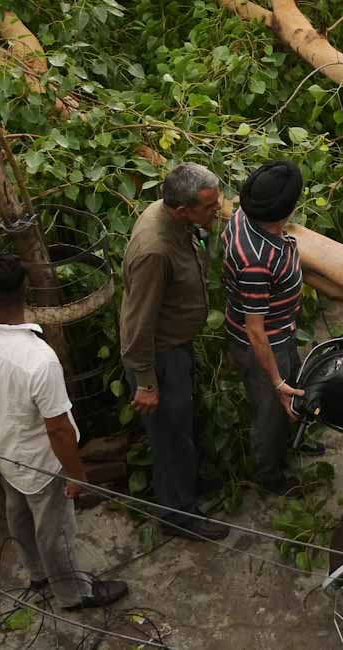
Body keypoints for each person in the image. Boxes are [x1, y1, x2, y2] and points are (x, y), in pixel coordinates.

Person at [0, 252, 129, 609]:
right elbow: (60, 429)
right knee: (56, 532)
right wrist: (77, 474)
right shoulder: (39, 359)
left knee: (17, 513)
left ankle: (37, 574)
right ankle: (74, 594)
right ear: (26, 291)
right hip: (40, 462)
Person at [119, 162, 230, 541]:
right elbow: (138, 324)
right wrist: (147, 383)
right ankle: (178, 516)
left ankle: (187, 487)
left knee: (181, 426)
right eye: (210, 206)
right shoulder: (155, 251)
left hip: (176, 348)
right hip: (159, 357)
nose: (218, 210)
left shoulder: (175, 218)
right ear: (182, 209)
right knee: (170, 438)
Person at [223, 161, 308, 496]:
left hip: (281, 330)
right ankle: (270, 475)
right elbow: (255, 330)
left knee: (294, 392)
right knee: (270, 410)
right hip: (264, 345)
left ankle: (294, 439)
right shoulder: (256, 262)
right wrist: (275, 381)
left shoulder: (244, 216)